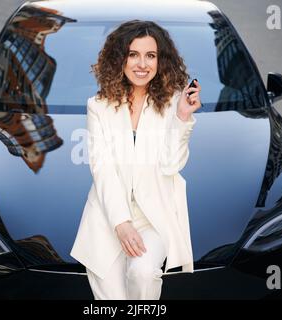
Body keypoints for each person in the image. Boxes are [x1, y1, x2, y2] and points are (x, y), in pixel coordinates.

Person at [70, 20, 202, 300]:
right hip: (107, 218)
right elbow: (102, 168)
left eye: (150, 56)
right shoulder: (98, 106)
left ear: (160, 61)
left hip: (154, 218)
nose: (142, 64)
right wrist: (121, 223)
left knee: (142, 273)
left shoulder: (172, 103)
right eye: (133, 54)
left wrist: (182, 117)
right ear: (120, 59)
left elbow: (171, 164)